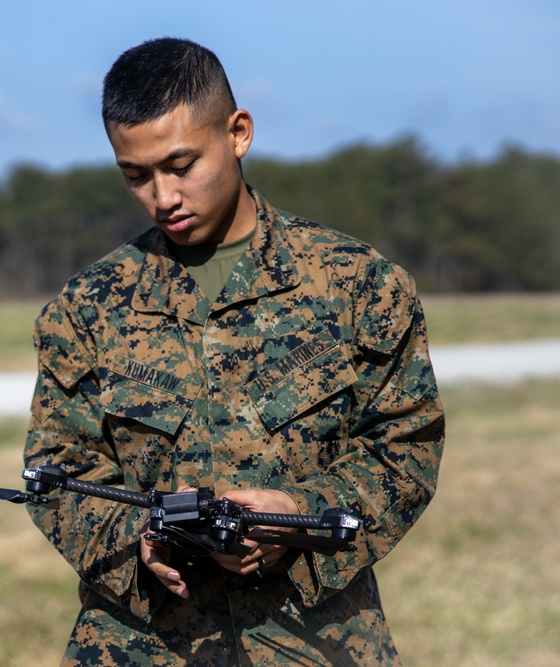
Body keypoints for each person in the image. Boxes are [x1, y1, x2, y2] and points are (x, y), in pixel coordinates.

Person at [23, 37, 445, 666]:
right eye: (136, 176)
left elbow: (406, 445)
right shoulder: (88, 307)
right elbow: (56, 472)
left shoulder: (360, 285)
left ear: (239, 132)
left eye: (180, 165)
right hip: (142, 645)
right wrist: (141, 540)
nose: (162, 197)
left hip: (315, 639)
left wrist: (300, 515)